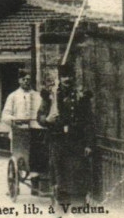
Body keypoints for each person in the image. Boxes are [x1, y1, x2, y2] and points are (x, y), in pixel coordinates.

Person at [37, 63, 95, 206]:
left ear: (73, 78)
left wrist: (88, 144)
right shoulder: (51, 96)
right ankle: (60, 203)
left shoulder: (81, 96)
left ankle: (78, 204)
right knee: (59, 173)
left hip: (76, 141)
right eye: (64, 76)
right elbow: (40, 116)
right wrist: (47, 119)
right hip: (57, 141)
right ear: (60, 78)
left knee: (77, 172)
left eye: (69, 76)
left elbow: (88, 122)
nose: (67, 79)